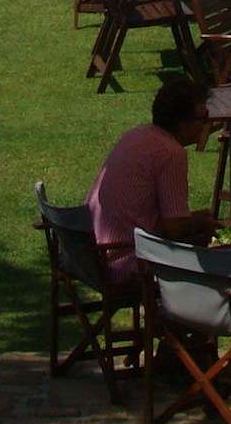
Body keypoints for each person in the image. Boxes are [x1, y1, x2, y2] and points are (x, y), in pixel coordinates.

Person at [87, 76, 215, 282]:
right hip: (127, 260)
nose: (207, 125)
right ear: (181, 123)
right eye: (203, 118)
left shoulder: (137, 135)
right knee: (228, 258)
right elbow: (175, 229)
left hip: (94, 253)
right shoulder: (171, 153)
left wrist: (191, 219)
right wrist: (201, 223)